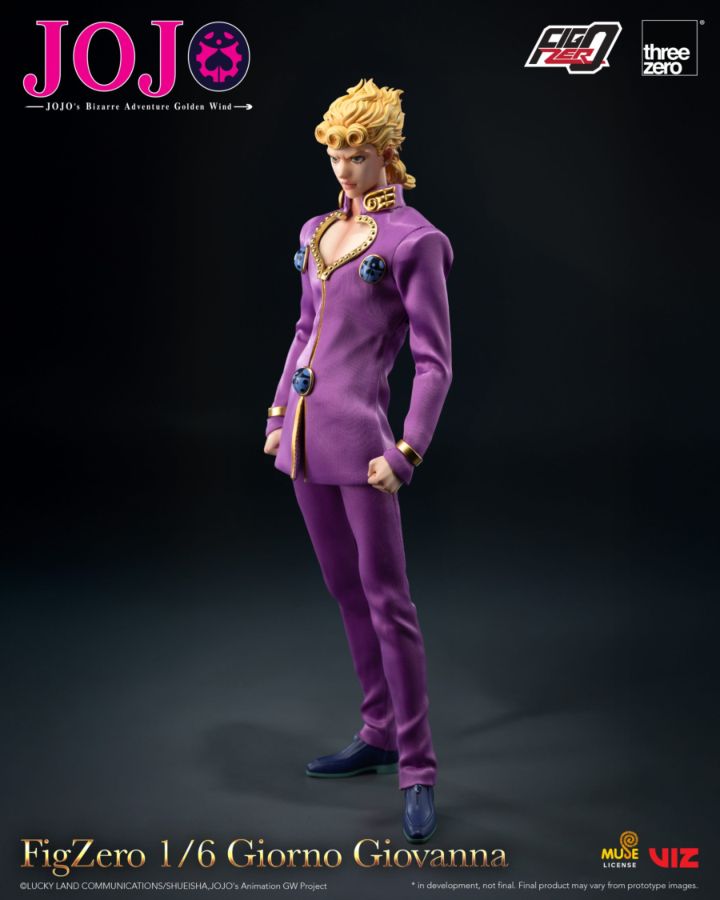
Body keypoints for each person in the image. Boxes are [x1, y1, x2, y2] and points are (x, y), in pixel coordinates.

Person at [263, 77, 453, 843]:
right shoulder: (317, 230)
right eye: (336, 154)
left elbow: (435, 362)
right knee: (346, 592)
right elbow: (302, 332)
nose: (344, 168)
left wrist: (407, 449)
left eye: (358, 154)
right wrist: (278, 414)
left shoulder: (414, 240)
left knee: (388, 603)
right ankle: (378, 731)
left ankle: (418, 766)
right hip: (308, 442)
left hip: (367, 447)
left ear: (386, 154)